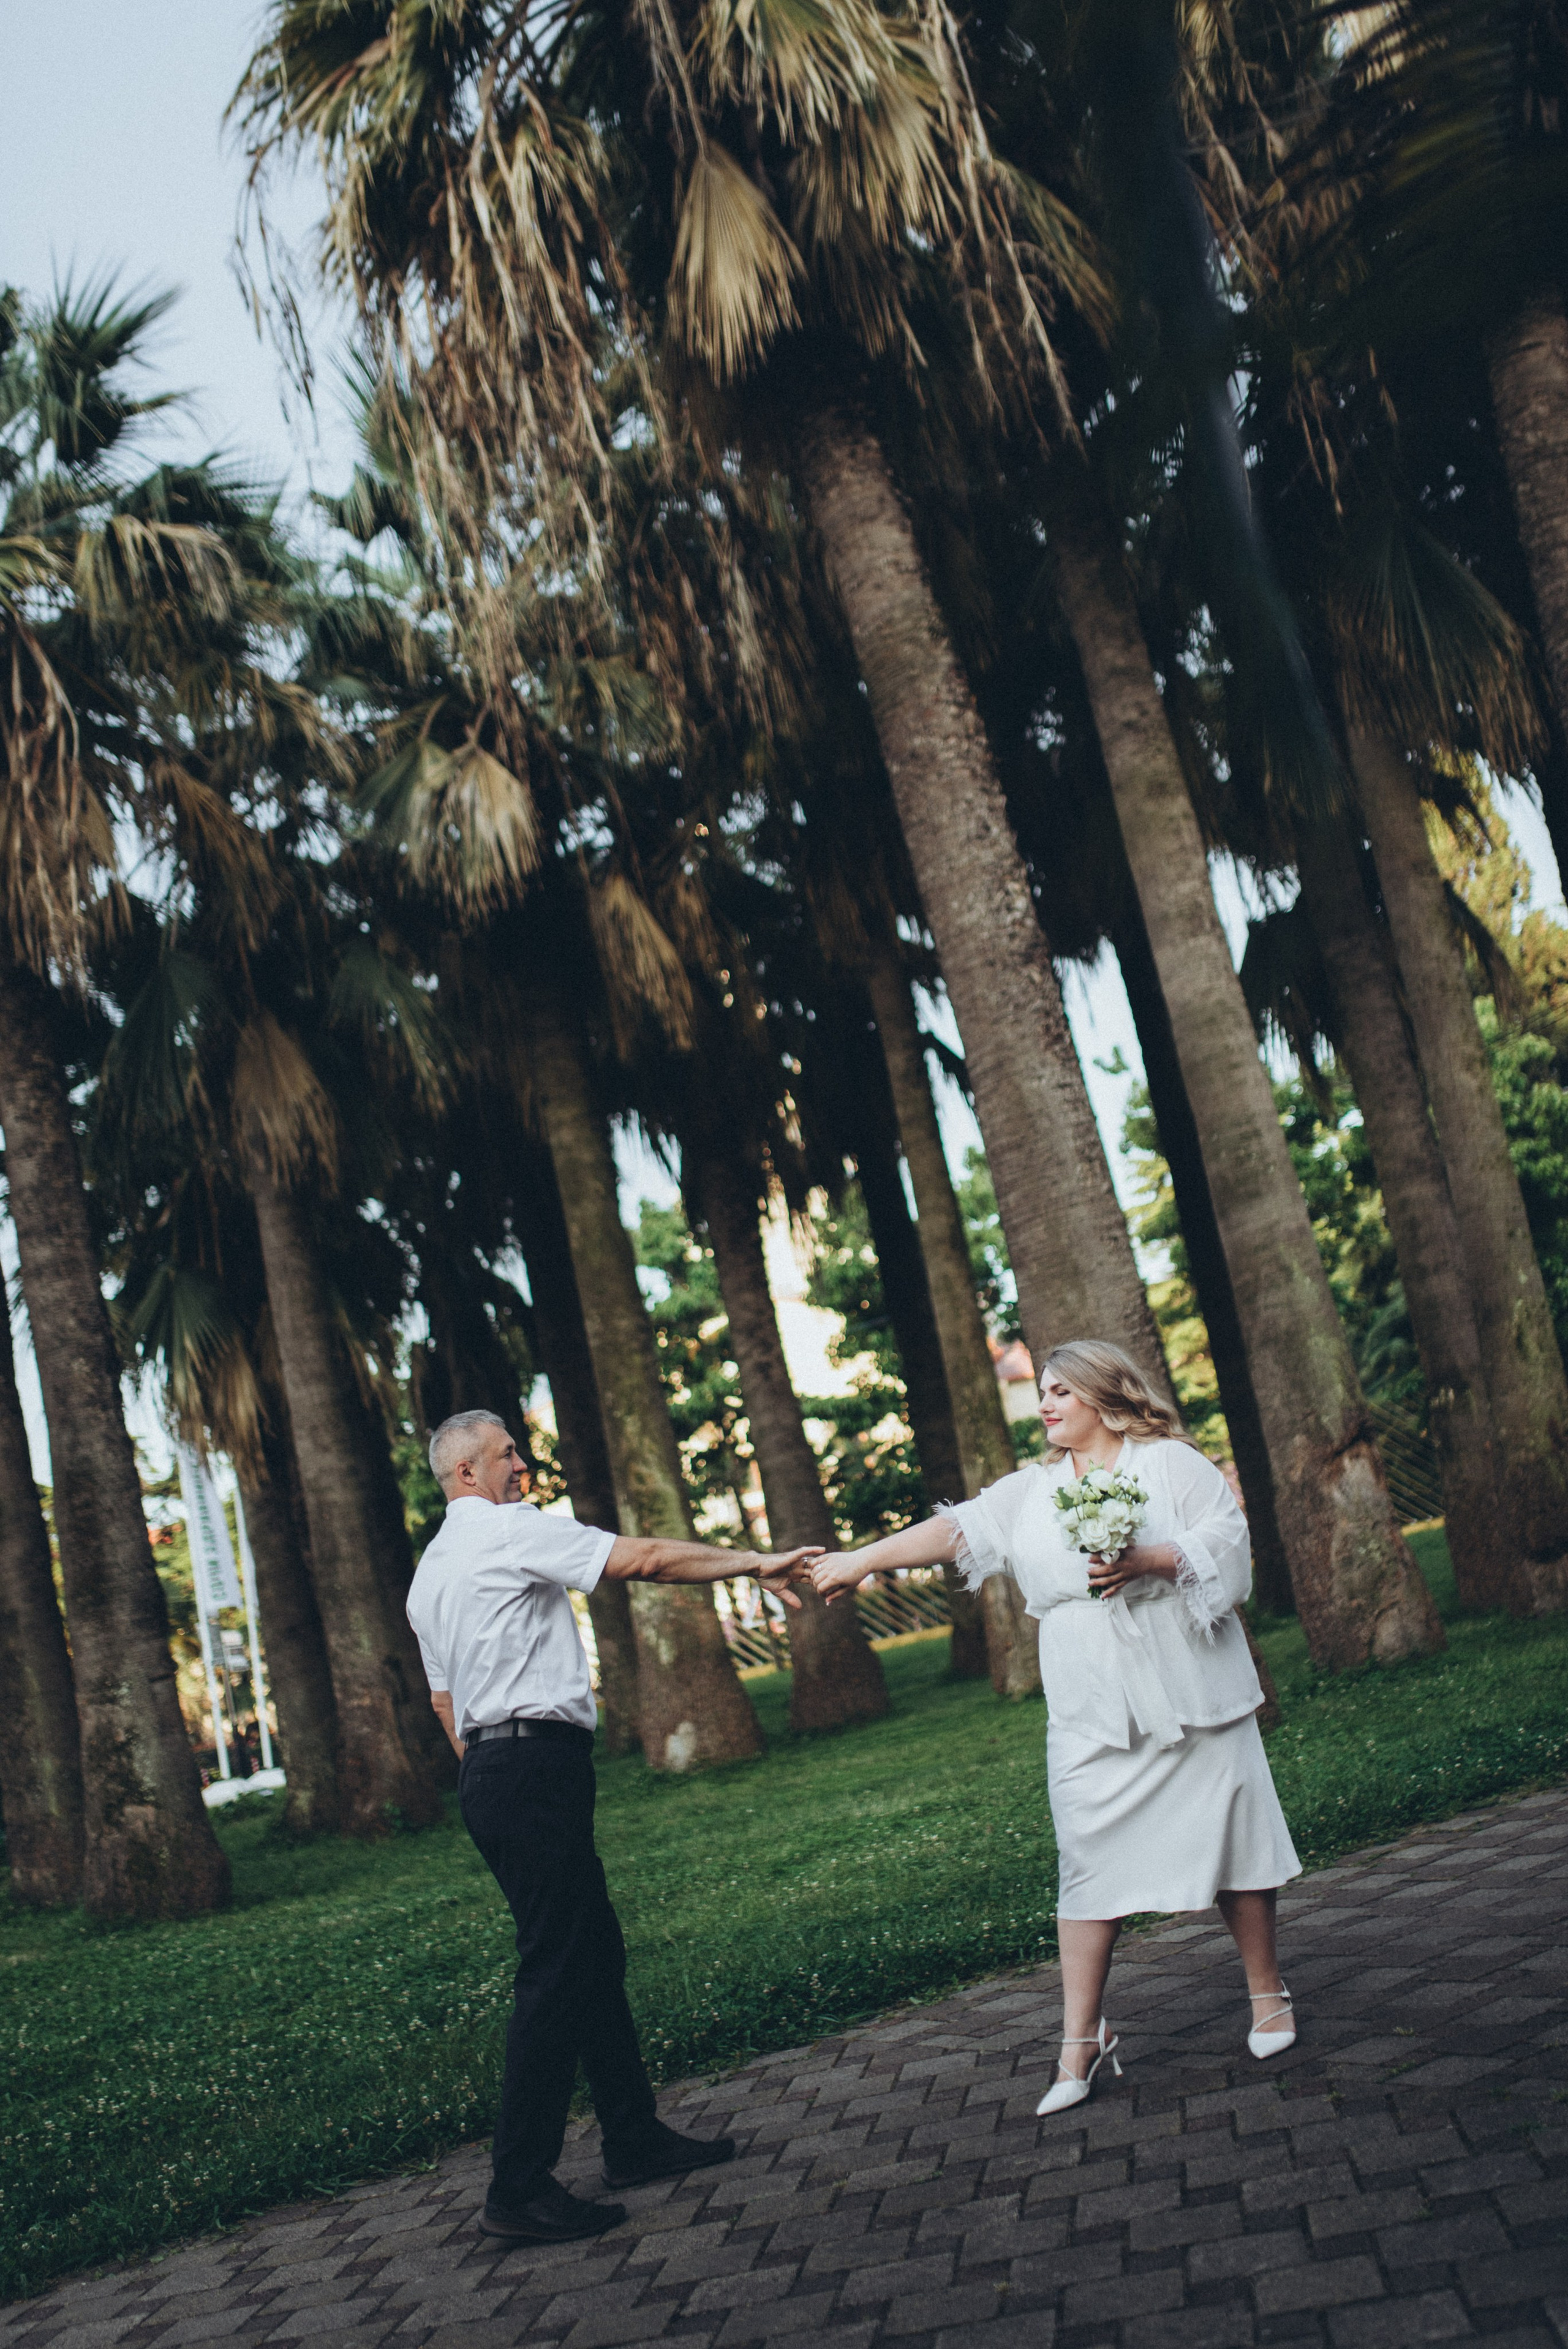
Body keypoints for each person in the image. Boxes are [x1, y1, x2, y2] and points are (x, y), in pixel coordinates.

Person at [810, 1339, 1301, 2116]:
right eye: (1041, 1391)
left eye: (1060, 1391)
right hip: (1091, 1697)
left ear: (1105, 1397)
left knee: (1235, 1838)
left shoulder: (1170, 1464)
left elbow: (1225, 1541)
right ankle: (1080, 2039)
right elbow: (954, 1532)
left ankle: (1266, 1992)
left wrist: (1151, 1559)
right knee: (1085, 1859)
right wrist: (860, 1558)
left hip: (1187, 1680)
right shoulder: (1030, 1490)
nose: (1044, 1405)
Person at [408, 1408, 821, 2241]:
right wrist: (756, 1560)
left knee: (589, 1946)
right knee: (558, 1964)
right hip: (530, 1770)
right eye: (506, 1453)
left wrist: (493, 1768)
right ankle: (517, 2185)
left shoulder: (429, 1573)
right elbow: (646, 1558)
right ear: (466, 1473)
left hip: (496, 1772)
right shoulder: (503, 1529)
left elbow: (445, 1699)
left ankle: (631, 2135)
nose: (521, 1464)